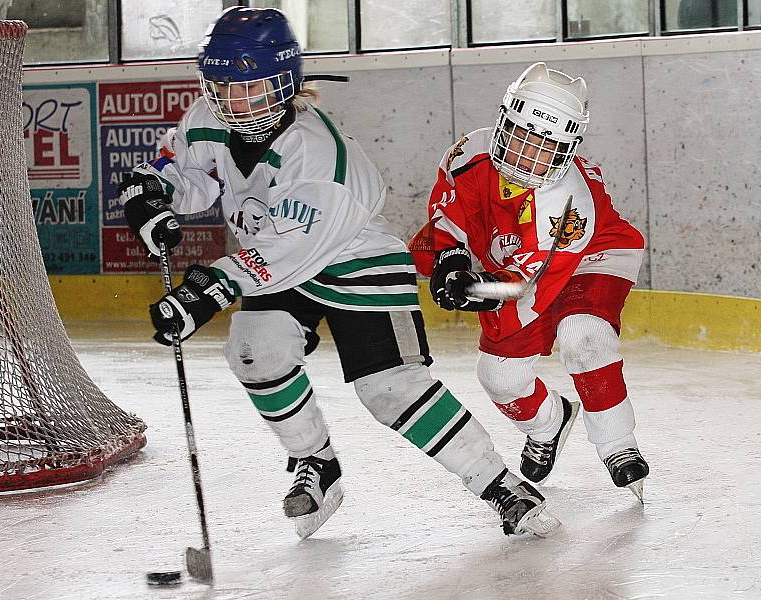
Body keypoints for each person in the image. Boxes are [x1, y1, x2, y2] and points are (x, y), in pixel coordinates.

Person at [117, 7, 560, 538]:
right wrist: (154, 193)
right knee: (255, 352)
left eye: (249, 88)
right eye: (223, 86)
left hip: (355, 256)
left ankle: (499, 485)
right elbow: (188, 170)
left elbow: (284, 253)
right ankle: (317, 465)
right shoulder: (207, 116)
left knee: (390, 388)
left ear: (284, 83)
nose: (234, 102)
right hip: (274, 255)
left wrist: (210, 289)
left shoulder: (318, 158)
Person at [409, 62, 649, 501]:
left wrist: (474, 291)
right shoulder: (467, 154)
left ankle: (618, 443)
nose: (527, 156)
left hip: (591, 253)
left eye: (545, 147)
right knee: (499, 378)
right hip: (516, 264)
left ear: (567, 151)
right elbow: (448, 217)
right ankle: (549, 422)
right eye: (521, 135)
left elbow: (527, 286)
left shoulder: (568, 204)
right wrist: (448, 258)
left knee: (584, 334)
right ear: (503, 123)